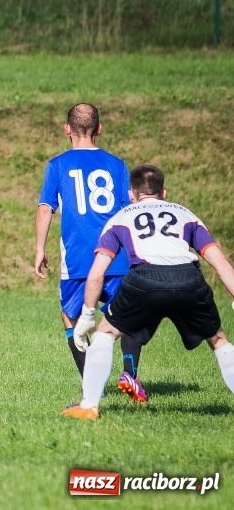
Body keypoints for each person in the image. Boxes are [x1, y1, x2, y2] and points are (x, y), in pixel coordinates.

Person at [61, 164, 234, 419]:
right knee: (219, 341)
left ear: (132, 194)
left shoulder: (120, 218)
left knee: (105, 334)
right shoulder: (186, 215)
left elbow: (97, 274)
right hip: (189, 279)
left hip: (145, 280)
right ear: (163, 192)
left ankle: (88, 406)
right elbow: (219, 262)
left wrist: (87, 316)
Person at [35, 103, 149, 402]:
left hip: (79, 258)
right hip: (117, 257)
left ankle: (91, 389)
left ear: (67, 129)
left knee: (70, 318)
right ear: (98, 129)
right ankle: (129, 372)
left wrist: (38, 249)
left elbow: (46, 208)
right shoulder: (116, 164)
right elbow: (131, 211)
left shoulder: (58, 165)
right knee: (128, 318)